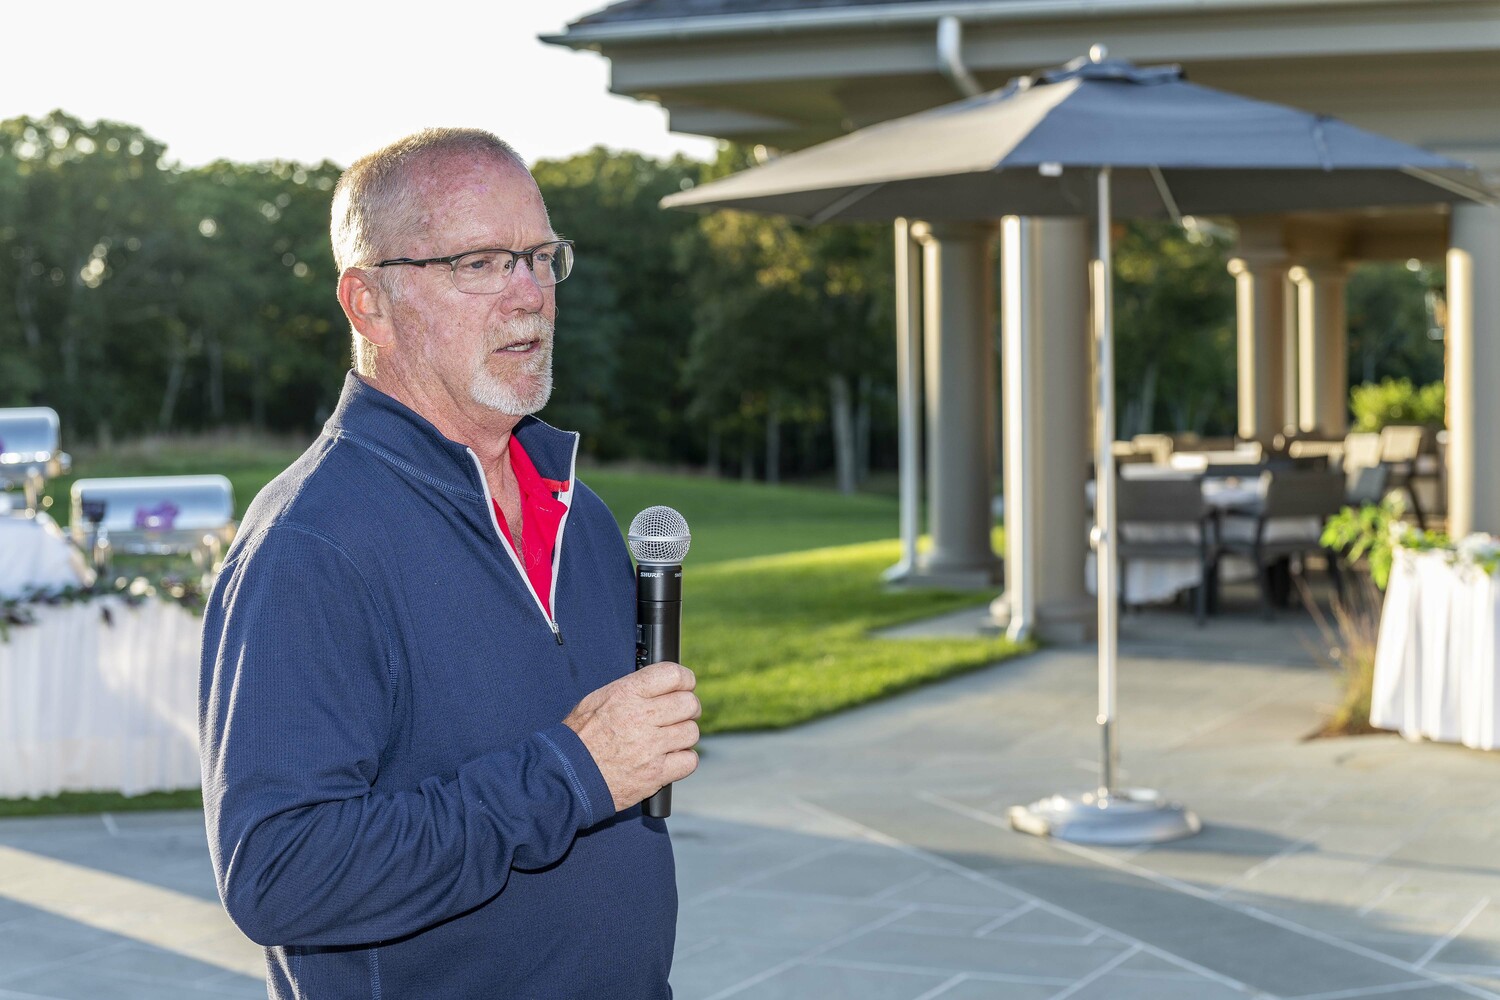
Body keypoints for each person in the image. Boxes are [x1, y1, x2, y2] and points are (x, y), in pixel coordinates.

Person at [199, 128, 701, 999]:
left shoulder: (580, 515)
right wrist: (573, 774)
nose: (530, 295)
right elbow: (279, 874)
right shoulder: (309, 545)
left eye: (542, 257)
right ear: (369, 303)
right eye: (479, 262)